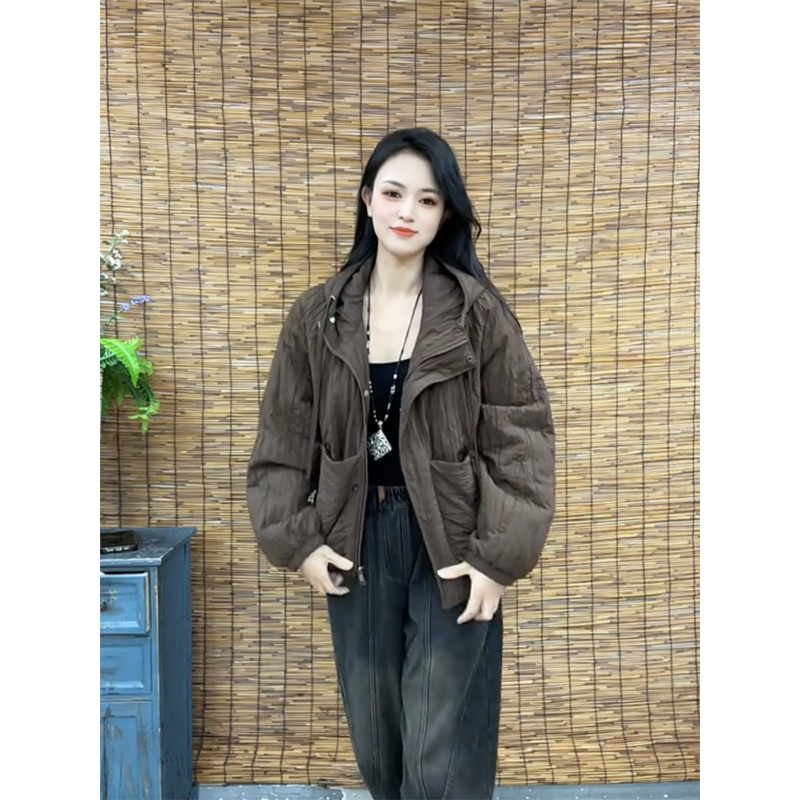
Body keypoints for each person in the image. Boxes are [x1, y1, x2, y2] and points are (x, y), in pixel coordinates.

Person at [246, 127, 555, 800]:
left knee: (439, 752)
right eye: (393, 193)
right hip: (354, 541)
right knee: (378, 740)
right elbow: (282, 439)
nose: (407, 211)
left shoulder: (477, 314)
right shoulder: (317, 317)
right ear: (367, 199)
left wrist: (498, 559)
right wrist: (299, 542)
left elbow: (521, 438)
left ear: (446, 215)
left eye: (428, 199)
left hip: (452, 542)